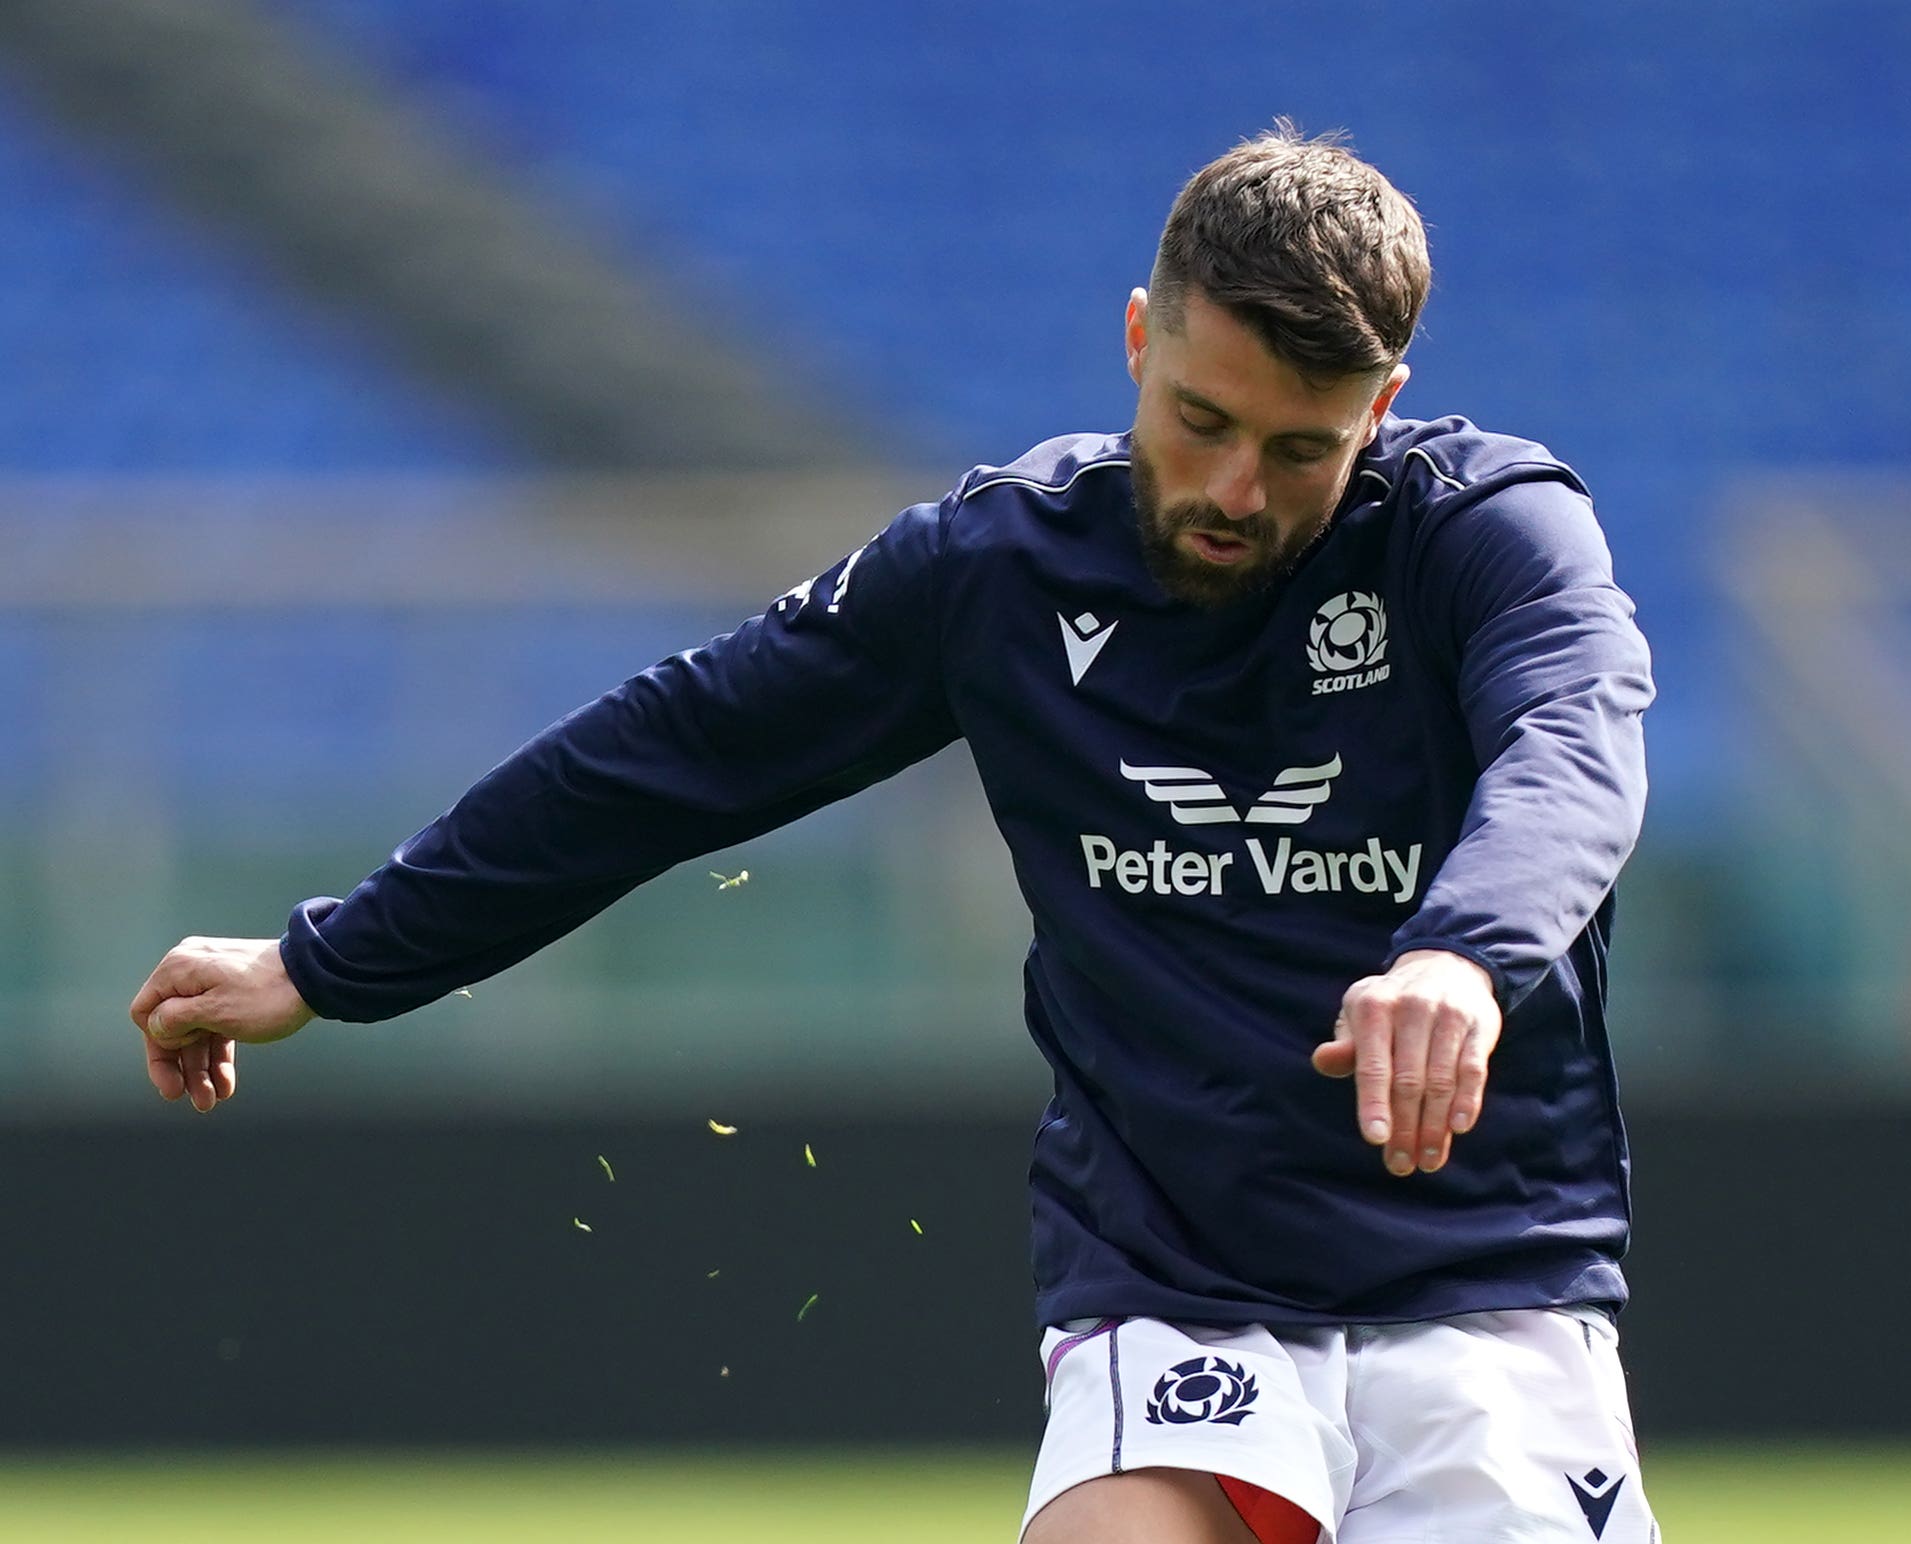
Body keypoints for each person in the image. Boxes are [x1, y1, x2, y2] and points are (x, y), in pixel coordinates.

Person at [131, 125, 1659, 1543]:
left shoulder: (1488, 531)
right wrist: (329, 961)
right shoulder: (995, 571)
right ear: (1139, 339)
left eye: (1303, 449)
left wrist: (1461, 958)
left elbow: (1575, 743)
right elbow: (665, 755)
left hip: (1490, 1286)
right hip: (1179, 1280)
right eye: (1200, 421)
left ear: (1382, 409)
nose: (1235, 490)